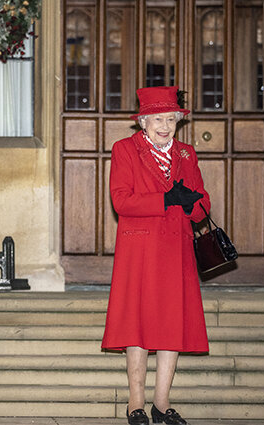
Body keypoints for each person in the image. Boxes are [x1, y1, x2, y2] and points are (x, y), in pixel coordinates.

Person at [101, 86, 210, 425]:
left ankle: (162, 405)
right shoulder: (125, 150)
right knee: (138, 323)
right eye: (159, 119)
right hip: (140, 250)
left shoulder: (186, 154)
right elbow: (121, 201)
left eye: (171, 119)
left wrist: (194, 204)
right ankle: (136, 403)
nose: (165, 126)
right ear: (143, 121)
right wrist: (165, 200)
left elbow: (202, 205)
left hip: (175, 250)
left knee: (171, 324)